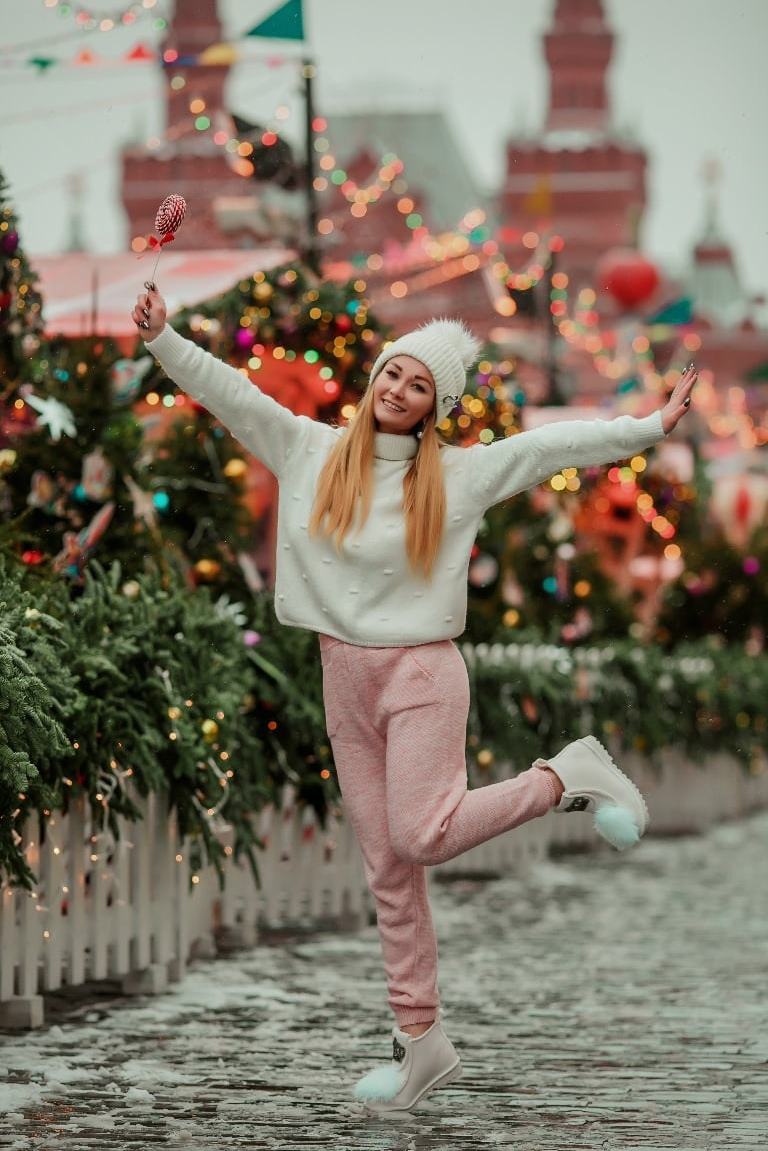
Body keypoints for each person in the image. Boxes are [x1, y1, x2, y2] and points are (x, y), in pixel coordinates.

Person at [131, 283, 696, 1114]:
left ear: (435, 407)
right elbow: (232, 394)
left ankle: (566, 774)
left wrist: (645, 429)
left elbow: (551, 446)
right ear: (376, 379)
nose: (397, 389)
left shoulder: (458, 477)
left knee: (421, 833)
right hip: (342, 676)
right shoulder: (308, 450)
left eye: (418, 385)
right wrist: (164, 338)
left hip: (420, 674)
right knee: (389, 870)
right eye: (393, 373)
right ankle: (420, 1042)